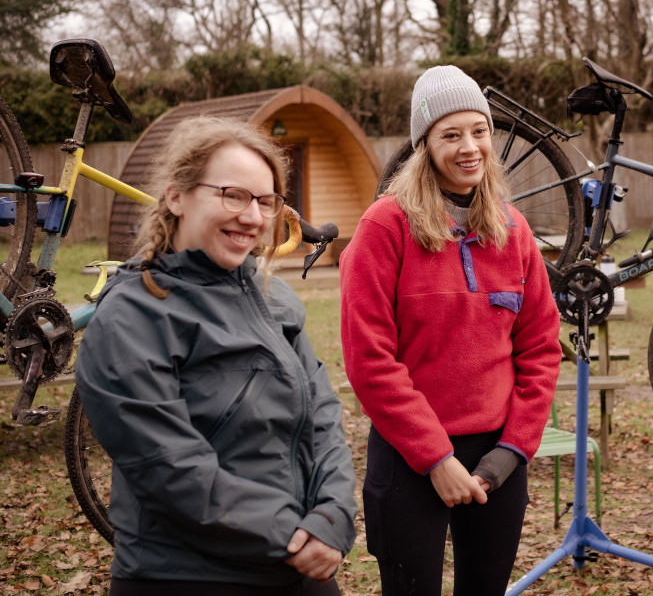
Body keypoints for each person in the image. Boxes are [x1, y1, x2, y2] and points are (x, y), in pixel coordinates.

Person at [75, 117, 357, 596]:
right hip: (186, 574)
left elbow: (323, 417)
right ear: (176, 197)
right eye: (232, 195)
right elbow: (168, 467)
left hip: (299, 566)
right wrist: (293, 535)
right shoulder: (131, 317)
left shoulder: (275, 300)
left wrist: (332, 514)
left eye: (266, 202)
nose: (252, 217)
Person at [339, 65, 561, 595]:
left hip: (498, 458)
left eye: (479, 131)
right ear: (424, 144)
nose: (470, 147)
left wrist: (512, 451)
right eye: (451, 134)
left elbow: (540, 347)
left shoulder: (512, 227)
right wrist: (436, 459)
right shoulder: (384, 227)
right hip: (409, 455)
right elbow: (370, 359)